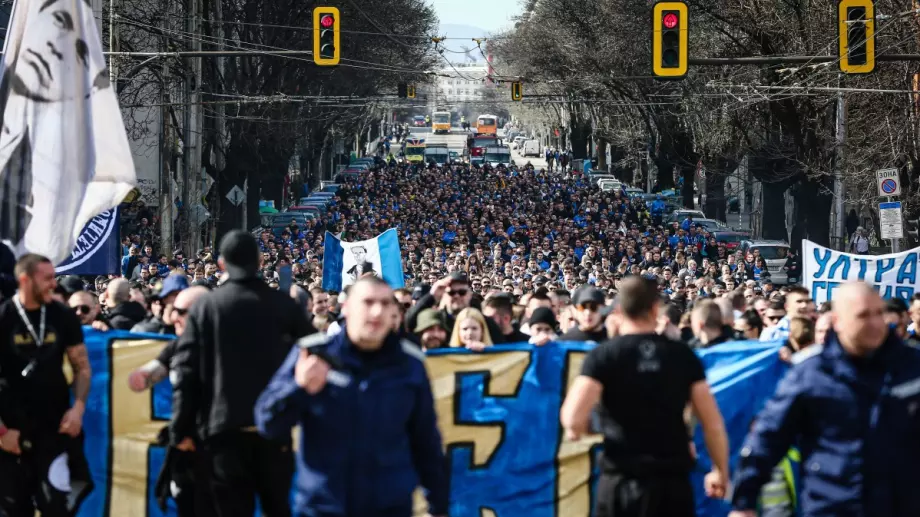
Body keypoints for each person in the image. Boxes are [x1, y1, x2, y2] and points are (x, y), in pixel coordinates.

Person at [254, 276, 449, 517]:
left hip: (389, 508)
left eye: (385, 303)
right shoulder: (313, 353)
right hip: (323, 508)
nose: (377, 311)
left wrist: (438, 507)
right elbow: (267, 423)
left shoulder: (410, 365)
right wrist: (298, 387)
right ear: (346, 308)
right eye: (367, 302)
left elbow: (426, 442)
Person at [730, 282, 920, 517]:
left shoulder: (913, 367)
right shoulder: (811, 374)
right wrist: (744, 502)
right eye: (862, 315)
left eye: (878, 313)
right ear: (838, 321)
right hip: (834, 505)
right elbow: (768, 436)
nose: (874, 323)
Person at [170, 230, 314, 517]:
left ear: (221, 264)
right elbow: (315, 356)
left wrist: (180, 430)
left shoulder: (206, 308)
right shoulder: (284, 306)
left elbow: (186, 373)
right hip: (274, 430)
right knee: (278, 507)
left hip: (222, 431)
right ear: (260, 261)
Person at [560, 276, 729, 517]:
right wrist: (720, 470)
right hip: (671, 484)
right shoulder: (681, 355)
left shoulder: (603, 356)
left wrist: (602, 426)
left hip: (621, 481)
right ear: (655, 308)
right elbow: (712, 422)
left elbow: (572, 420)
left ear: (618, 310)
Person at [0, 253, 93, 516]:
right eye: (47, 278)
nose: (54, 283)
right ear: (25, 280)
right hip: (11, 433)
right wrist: (2, 432)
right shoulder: (5, 316)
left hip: (54, 429)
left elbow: (82, 367)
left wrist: (78, 410)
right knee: (14, 508)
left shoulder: (61, 315)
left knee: (55, 505)